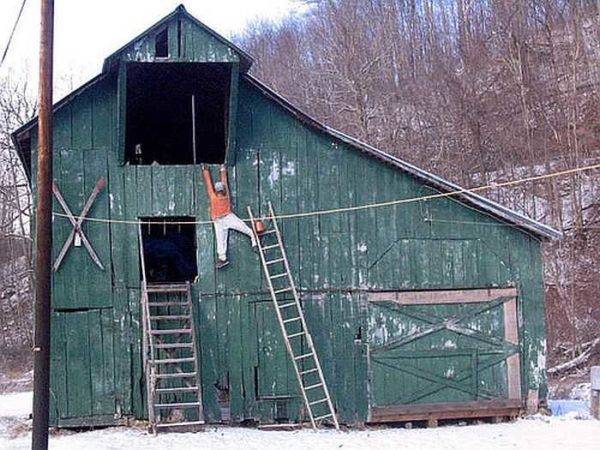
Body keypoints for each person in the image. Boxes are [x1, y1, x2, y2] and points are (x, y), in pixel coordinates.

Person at [202, 164, 257, 268]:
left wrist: (208, 171)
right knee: (221, 240)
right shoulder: (221, 195)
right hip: (219, 220)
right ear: (220, 190)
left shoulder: (217, 196)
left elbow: (214, 183)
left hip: (227, 217)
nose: (220, 191)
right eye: (220, 190)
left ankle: (254, 241)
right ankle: (223, 259)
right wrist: (217, 170)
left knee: (241, 229)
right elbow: (218, 183)